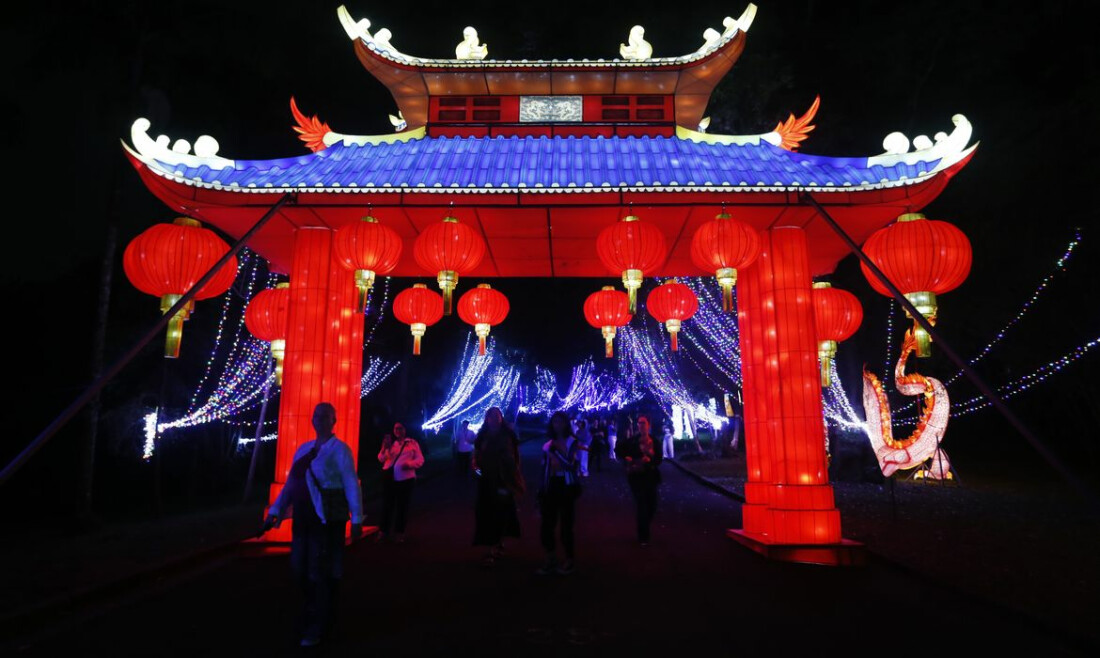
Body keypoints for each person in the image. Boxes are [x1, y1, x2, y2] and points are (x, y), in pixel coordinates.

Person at [263, 402, 364, 648]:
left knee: (317, 571)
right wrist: (276, 509)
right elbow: (291, 484)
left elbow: (350, 482)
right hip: (303, 519)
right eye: (316, 415)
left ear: (334, 421)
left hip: (327, 521)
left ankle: (317, 624)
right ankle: (316, 612)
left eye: (325, 416)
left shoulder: (341, 450)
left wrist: (358, 517)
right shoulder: (304, 449)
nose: (319, 419)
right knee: (299, 568)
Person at [472, 406, 524, 567]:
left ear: (501, 418)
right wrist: (476, 466)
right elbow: (477, 455)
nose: (495, 418)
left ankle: (498, 542)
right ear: (487, 418)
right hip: (486, 480)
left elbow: (514, 457)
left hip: (502, 480)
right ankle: (490, 547)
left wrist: (513, 474)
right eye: (491, 415)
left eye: (497, 415)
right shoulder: (482, 436)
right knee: (486, 513)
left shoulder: (507, 435)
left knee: (502, 511)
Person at [536, 411, 583, 576]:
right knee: (547, 523)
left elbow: (570, 465)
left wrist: (555, 454)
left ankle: (569, 559)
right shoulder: (548, 444)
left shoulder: (571, 442)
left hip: (567, 485)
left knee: (566, 524)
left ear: (565, 424)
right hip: (551, 485)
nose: (557, 425)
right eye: (554, 422)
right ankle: (550, 557)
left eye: (560, 422)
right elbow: (546, 467)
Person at [616, 413, 663, 546]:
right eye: (639, 423)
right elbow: (619, 450)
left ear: (649, 425)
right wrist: (627, 459)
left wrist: (650, 458)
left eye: (643, 423)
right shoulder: (632, 440)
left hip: (651, 476)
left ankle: (644, 526)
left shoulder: (654, 441)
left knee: (652, 506)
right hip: (636, 477)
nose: (641, 425)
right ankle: (643, 536)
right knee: (641, 505)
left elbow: (659, 459)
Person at [376, 421, 425, 543]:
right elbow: (381, 459)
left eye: (400, 428)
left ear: (405, 429)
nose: (398, 431)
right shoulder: (391, 444)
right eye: (396, 428)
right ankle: (383, 531)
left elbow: (420, 459)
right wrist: (384, 448)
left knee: (402, 506)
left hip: (406, 479)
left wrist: (410, 464)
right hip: (389, 478)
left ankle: (399, 532)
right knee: (387, 505)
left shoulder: (412, 443)